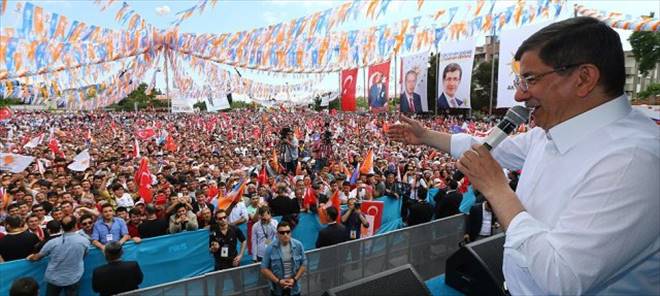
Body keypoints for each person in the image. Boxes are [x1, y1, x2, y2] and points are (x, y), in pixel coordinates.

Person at [387, 17, 659, 295]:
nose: (518, 94)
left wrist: (497, 189)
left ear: (584, 78)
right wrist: (426, 136)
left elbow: (561, 278)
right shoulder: (551, 131)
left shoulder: (633, 160)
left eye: (530, 79)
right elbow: (493, 148)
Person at [27, 215, 90, 296]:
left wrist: (30, 257)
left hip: (56, 279)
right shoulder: (84, 241)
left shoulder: (52, 243)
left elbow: (37, 257)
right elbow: (85, 254)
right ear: (75, 226)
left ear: (62, 227)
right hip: (73, 278)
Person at [260, 221, 307, 296]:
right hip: (277, 290)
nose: (285, 234)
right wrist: (278, 281)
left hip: (294, 288)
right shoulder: (270, 248)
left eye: (288, 232)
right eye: (282, 232)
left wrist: (294, 280)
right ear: (277, 234)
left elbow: (304, 264)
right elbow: (264, 268)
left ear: (290, 233)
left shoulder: (298, 245)